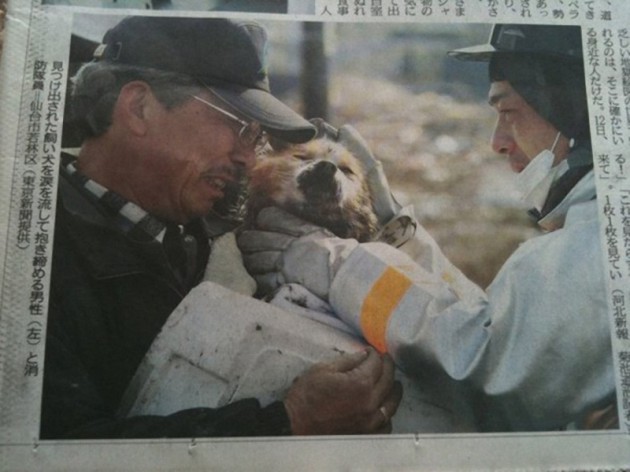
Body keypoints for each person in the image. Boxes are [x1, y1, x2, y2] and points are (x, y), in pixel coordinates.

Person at [239, 23, 618, 431]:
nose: (498, 142)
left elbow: (481, 368)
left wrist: (334, 264)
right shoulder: (590, 232)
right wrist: (400, 238)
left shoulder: (595, 245)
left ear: (574, 111)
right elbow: (490, 324)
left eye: (509, 112)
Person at [41, 16, 402, 439]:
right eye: (237, 125)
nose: (249, 159)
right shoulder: (32, 257)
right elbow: (53, 449)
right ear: (138, 108)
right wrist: (287, 423)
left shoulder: (221, 235)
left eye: (256, 138)